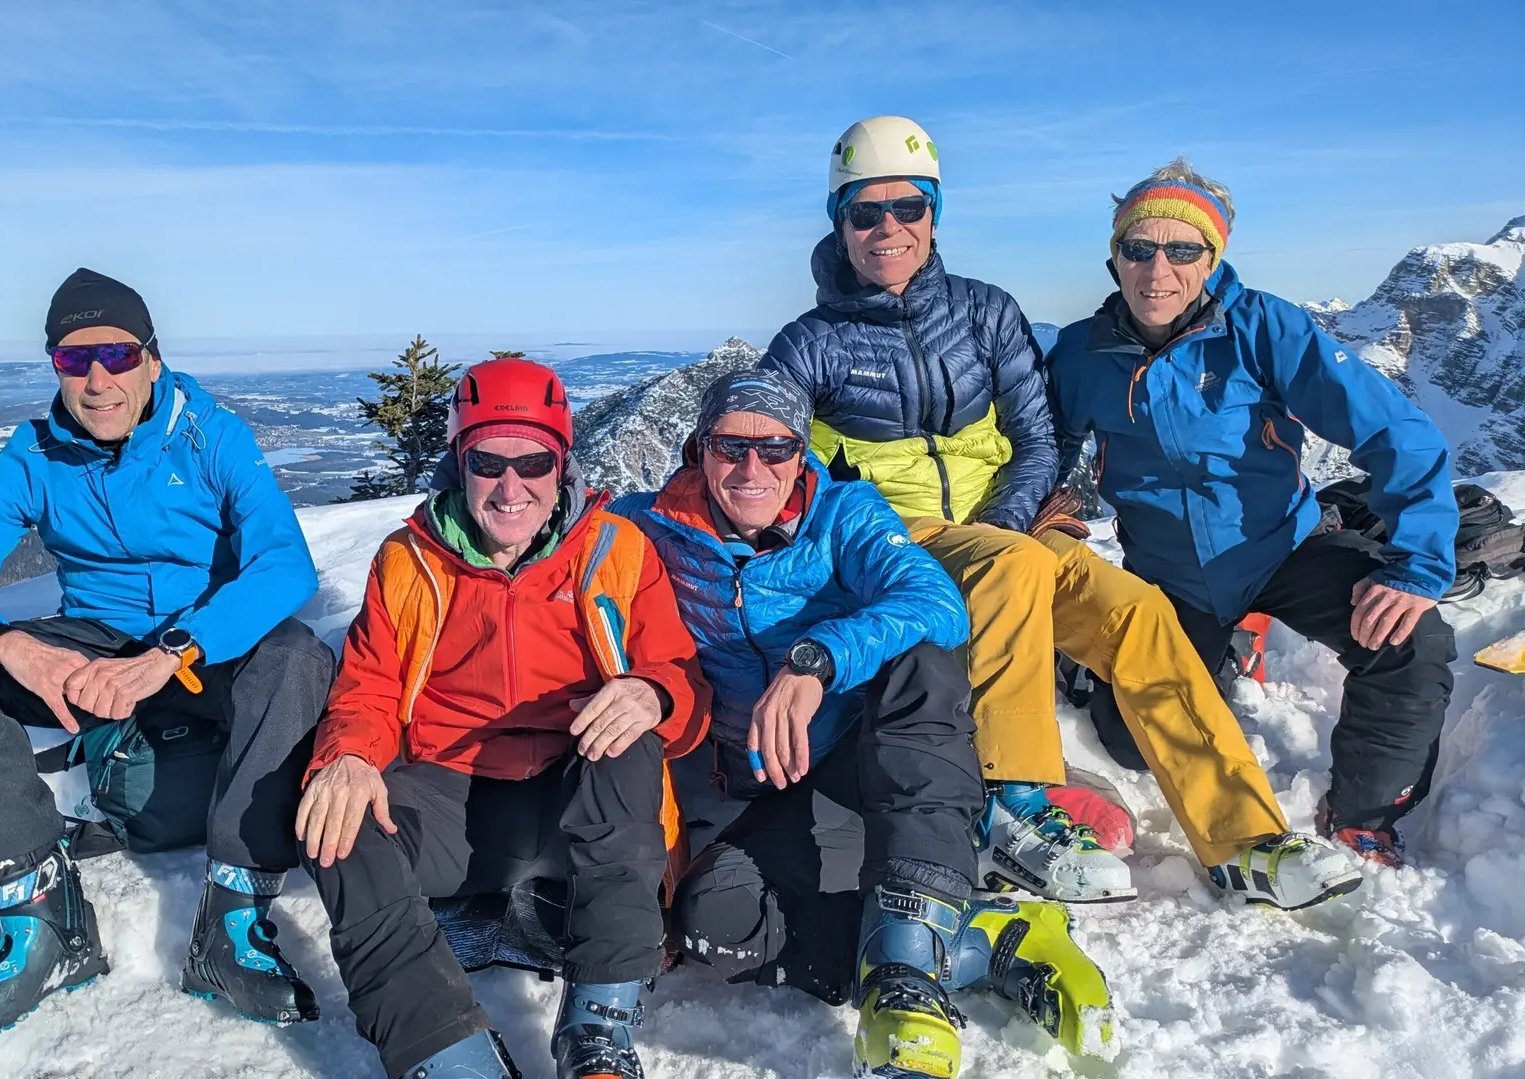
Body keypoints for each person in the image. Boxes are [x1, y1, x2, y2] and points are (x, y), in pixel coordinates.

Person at [758, 116, 1360, 911]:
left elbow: (1038, 438)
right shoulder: (810, 344)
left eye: (907, 207)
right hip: (894, 544)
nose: (888, 228)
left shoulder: (985, 314)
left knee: (1139, 613)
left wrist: (1009, 519)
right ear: (839, 223)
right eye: (864, 212)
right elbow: (759, 461)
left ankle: (1244, 838)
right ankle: (1013, 809)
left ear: (934, 213)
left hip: (1003, 531)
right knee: (1012, 566)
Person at [614, 370, 1115, 1079]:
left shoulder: (844, 512)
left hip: (871, 777)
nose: (753, 468)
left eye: (776, 448)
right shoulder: (649, 524)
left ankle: (907, 966)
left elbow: (935, 598)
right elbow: (545, 540)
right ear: (700, 449)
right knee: (713, 924)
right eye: (730, 447)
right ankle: (991, 937)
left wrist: (816, 660)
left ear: (799, 453)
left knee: (921, 655)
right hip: (756, 797)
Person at [0, 268, 335, 1045]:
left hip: (202, 645)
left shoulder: (212, 434)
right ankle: (41, 921)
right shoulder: (35, 454)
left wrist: (173, 650)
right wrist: (7, 643)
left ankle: (235, 920)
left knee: (294, 657)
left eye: (118, 356)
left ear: (153, 360)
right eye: (72, 360)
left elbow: (284, 565)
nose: (96, 381)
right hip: (93, 644)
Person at [296, 357, 710, 1079]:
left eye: (533, 462)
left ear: (562, 467)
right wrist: (352, 754)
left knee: (628, 734)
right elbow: (367, 686)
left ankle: (599, 1030)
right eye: (489, 460)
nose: (511, 486)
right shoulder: (409, 561)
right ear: (461, 462)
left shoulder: (615, 550)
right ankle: (441, 1047)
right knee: (336, 816)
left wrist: (653, 693)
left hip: (579, 810)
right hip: (449, 803)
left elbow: (684, 682)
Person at [1048, 160, 1459, 868]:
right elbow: (1044, 446)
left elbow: (1395, 429)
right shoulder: (1081, 354)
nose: (1158, 270)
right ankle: (1219, 650)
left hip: (1284, 549)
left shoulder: (1264, 327)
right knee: (1129, 741)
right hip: (1168, 575)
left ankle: (1363, 812)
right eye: (1139, 249)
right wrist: (1042, 516)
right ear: (1114, 256)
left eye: (1183, 250)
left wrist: (1419, 561)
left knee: (1411, 641)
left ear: (1212, 257)